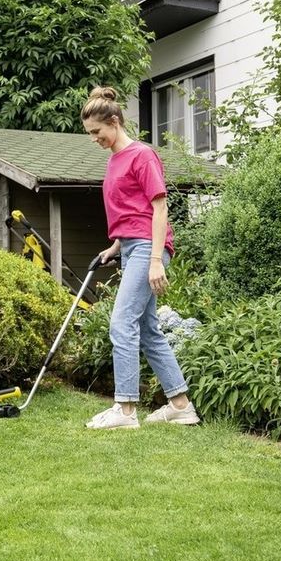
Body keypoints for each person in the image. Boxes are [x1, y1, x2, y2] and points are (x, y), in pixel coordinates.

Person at [81, 86, 199, 429]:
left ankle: (125, 409)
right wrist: (115, 246)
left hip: (149, 246)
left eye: (97, 132)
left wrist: (156, 260)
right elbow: (132, 212)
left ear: (114, 122)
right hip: (132, 245)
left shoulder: (142, 155)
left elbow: (159, 208)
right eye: (90, 134)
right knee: (148, 329)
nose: (94, 139)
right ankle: (181, 406)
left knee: (122, 323)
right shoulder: (114, 160)